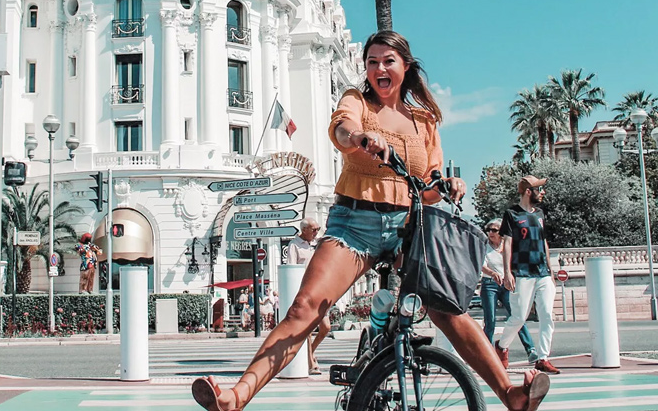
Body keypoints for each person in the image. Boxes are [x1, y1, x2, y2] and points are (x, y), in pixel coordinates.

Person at [191, 31, 550, 411]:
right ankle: (236, 396)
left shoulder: (424, 121)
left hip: (410, 229)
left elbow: (426, 186)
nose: (379, 68)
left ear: (405, 67)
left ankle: (511, 395)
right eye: (372, 61)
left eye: (388, 61)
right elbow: (342, 129)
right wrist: (362, 137)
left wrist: (446, 185)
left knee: (448, 310)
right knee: (305, 308)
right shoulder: (355, 100)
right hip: (354, 224)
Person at [496, 176, 561, 375]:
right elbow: (507, 243)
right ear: (528, 191)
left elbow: (544, 242)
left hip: (542, 272)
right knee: (519, 316)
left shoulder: (540, 214)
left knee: (547, 315)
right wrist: (507, 272)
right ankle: (502, 346)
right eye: (538, 190)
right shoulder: (512, 214)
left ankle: (542, 358)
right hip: (522, 273)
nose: (542, 193)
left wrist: (550, 271)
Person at [481, 218, 536, 364]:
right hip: (489, 284)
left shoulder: (509, 246)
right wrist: (493, 273)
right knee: (490, 320)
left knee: (517, 317)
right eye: (489, 229)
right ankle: (488, 354)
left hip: (507, 285)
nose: (490, 233)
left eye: (494, 230)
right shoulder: (484, 246)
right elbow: (482, 266)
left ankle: (531, 349)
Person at [284, 217, 329, 374]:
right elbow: (291, 268)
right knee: (308, 329)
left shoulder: (316, 244)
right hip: (305, 292)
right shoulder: (294, 246)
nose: (317, 232)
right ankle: (311, 363)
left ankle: (310, 351)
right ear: (304, 230)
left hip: (320, 289)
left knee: (326, 327)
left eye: (318, 229)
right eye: (314, 229)